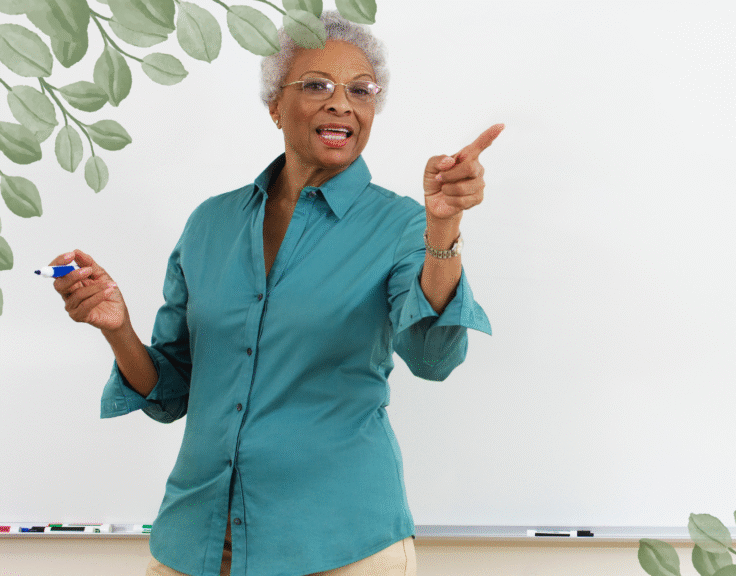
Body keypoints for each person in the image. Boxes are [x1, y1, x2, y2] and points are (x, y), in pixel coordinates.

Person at [49, 11, 501, 576]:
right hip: (197, 541)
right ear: (274, 106)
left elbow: (434, 357)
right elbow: (169, 392)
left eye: (360, 91)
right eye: (317, 85)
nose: (342, 103)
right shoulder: (209, 224)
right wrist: (117, 328)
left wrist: (443, 229)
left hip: (339, 545)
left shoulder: (402, 225)